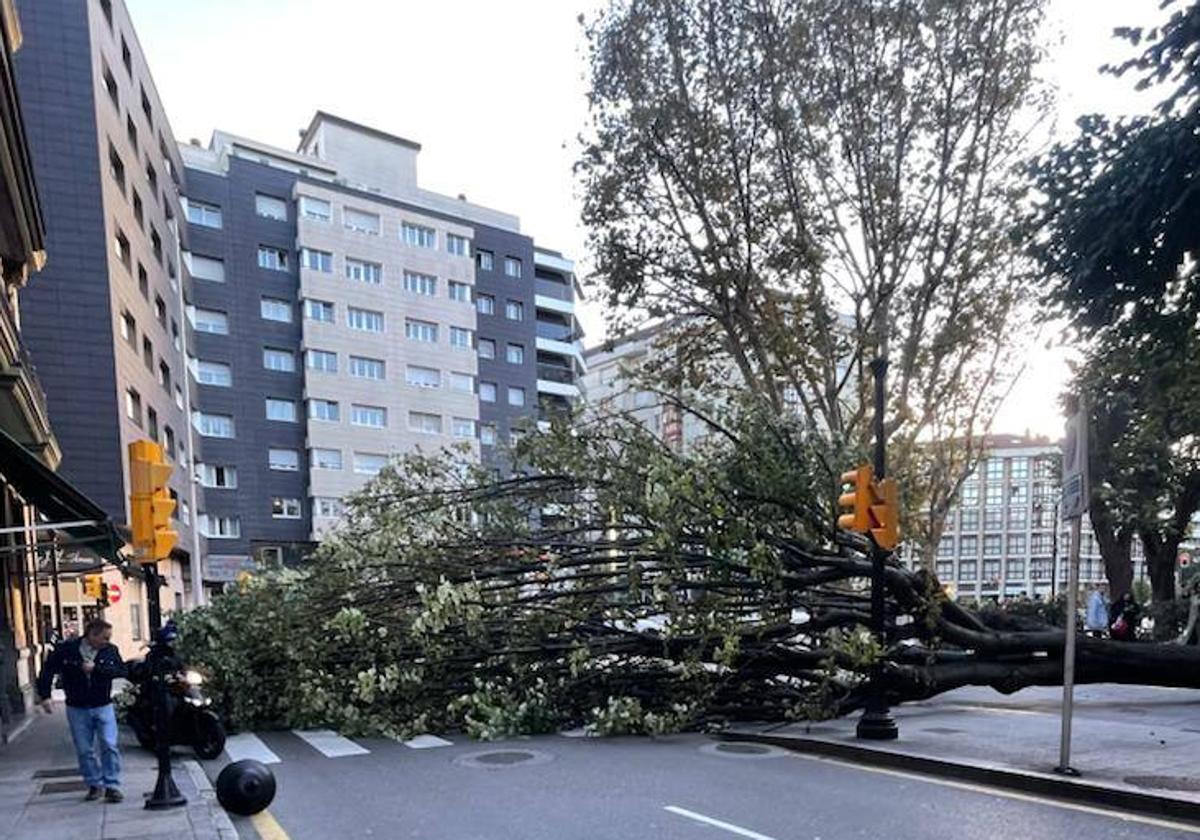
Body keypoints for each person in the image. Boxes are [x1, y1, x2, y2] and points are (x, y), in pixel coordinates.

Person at [36, 618, 126, 802]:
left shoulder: (110, 651)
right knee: (84, 749)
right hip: (77, 706)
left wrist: (97, 669)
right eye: (104, 637)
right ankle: (94, 783)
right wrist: (45, 695)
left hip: (103, 704)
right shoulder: (67, 650)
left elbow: (120, 671)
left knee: (109, 744)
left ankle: (111, 785)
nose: (107, 641)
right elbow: (48, 670)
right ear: (91, 635)